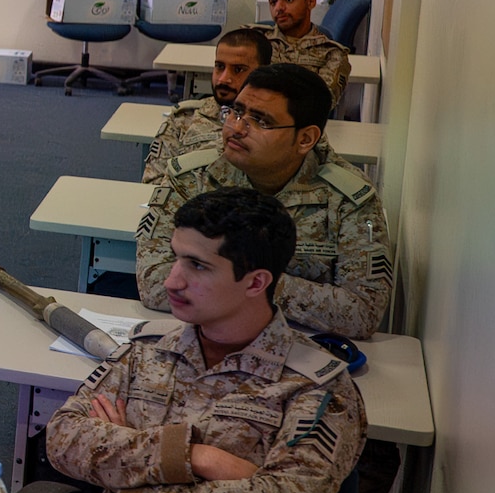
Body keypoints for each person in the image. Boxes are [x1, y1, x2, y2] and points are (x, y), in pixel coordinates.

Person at [47, 188, 366, 493]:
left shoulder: (316, 388)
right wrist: (198, 457)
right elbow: (63, 440)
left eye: (197, 266)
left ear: (255, 282)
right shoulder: (146, 350)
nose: (171, 281)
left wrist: (128, 488)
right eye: (175, 257)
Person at [138, 63, 390, 339]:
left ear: (306, 138)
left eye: (261, 121)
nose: (236, 128)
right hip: (204, 338)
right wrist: (249, 287)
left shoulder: (348, 199)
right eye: (236, 111)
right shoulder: (193, 177)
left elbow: (362, 314)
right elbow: (153, 283)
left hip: (300, 349)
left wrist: (245, 282)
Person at [142, 28, 272, 182]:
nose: (223, 79)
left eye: (238, 70)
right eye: (220, 67)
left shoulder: (274, 126)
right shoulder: (184, 118)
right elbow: (153, 184)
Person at [254, 0, 351, 107]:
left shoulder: (331, 54)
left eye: (289, 0)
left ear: (311, 2)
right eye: (273, 2)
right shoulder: (256, 41)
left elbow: (320, 104)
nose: (279, 8)